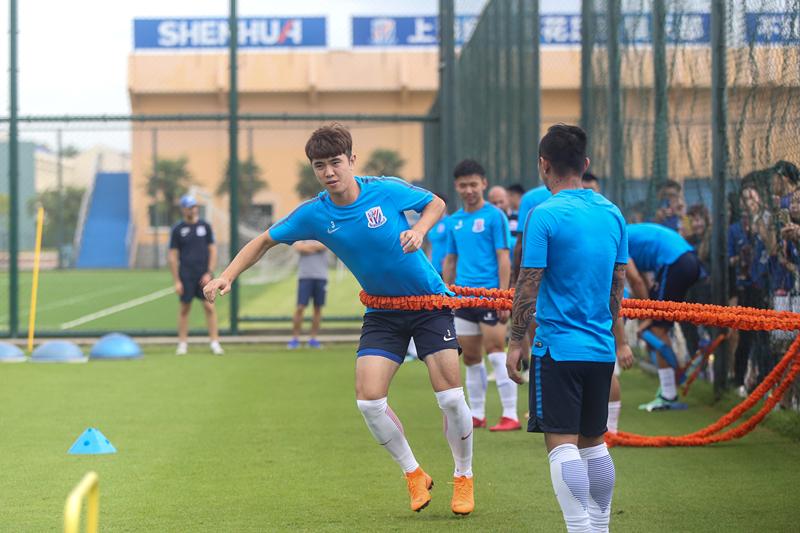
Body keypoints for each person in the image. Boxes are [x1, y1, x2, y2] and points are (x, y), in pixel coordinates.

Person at [204, 123, 475, 515]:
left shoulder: (384, 190)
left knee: (449, 396)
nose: (329, 172)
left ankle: (464, 476)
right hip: (382, 311)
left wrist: (419, 229)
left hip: (428, 303)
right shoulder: (315, 213)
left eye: (335, 162)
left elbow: (435, 202)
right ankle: (414, 473)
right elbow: (264, 240)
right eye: (320, 166)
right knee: (369, 402)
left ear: (351, 160)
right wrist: (227, 276)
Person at [506, 124, 627, 533]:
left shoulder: (543, 214)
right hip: (600, 350)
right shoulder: (612, 213)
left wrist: (515, 342)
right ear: (585, 164)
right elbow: (616, 286)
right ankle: (600, 527)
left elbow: (528, 283)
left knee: (562, 446)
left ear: (544, 165)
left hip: (557, 348)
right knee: (595, 443)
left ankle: (579, 528)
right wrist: (613, 337)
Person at [443, 160, 519, 432]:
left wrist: (503, 297)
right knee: (471, 358)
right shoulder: (454, 220)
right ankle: (477, 413)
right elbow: (450, 260)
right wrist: (447, 294)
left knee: (496, 351)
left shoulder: (495, 216)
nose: (469, 190)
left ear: (483, 184)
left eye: (473, 184)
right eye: (463, 185)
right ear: (456, 186)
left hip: (490, 296)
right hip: (463, 298)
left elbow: (503, 257)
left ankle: (510, 414)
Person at [626, 222, 702, 411]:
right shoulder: (627, 235)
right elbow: (642, 281)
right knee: (657, 326)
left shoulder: (614, 240)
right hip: (690, 260)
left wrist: (648, 316)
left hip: (675, 262)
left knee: (656, 329)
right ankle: (673, 382)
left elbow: (635, 281)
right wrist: (648, 315)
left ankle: (669, 393)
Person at [168, 194, 224, 356]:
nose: (192, 210)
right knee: (185, 308)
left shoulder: (205, 227)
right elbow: (172, 256)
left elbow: (213, 250)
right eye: (189, 207)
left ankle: (215, 342)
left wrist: (209, 272)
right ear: (183, 210)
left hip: (204, 275)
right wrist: (177, 280)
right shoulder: (177, 229)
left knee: (209, 307)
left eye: (194, 207)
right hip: (186, 275)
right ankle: (182, 344)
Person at [287, 240, 329, 349]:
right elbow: (299, 248)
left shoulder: (323, 233)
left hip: (321, 276)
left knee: (317, 308)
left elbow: (325, 245)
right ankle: (295, 339)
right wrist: (315, 247)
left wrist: (309, 247)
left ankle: (313, 339)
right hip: (305, 276)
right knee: (300, 307)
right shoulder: (302, 234)